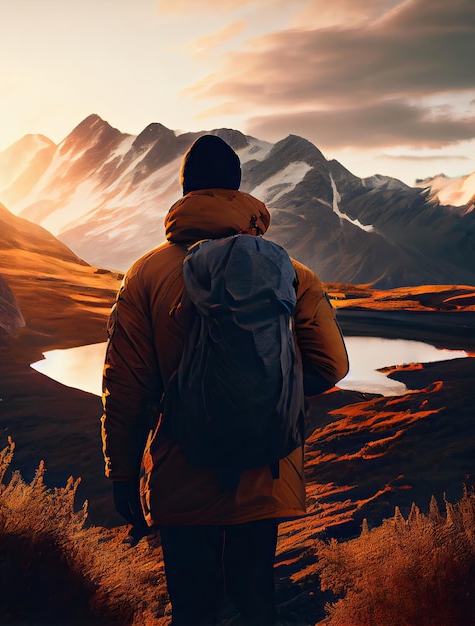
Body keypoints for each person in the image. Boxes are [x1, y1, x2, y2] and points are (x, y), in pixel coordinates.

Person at [101, 134, 349, 625]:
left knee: (194, 609)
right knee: (255, 600)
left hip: (181, 473)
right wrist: (265, 390)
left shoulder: (146, 274)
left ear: (185, 191)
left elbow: (128, 386)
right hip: (264, 473)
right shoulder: (289, 272)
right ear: (239, 190)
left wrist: (123, 473)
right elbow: (332, 365)